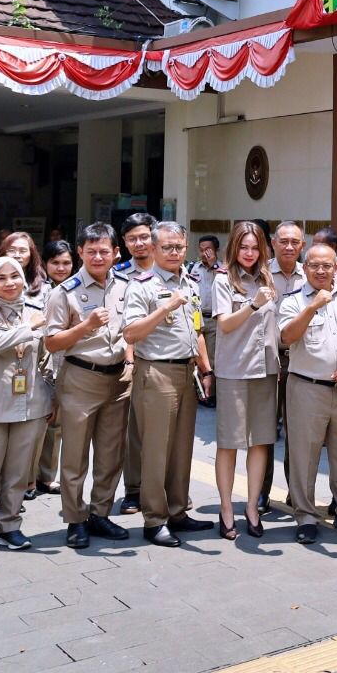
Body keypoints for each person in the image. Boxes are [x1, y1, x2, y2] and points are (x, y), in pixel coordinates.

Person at [122, 221, 216, 547]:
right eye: (167, 247)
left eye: (179, 247)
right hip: (156, 372)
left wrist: (206, 370)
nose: (174, 252)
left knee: (181, 448)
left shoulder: (189, 282)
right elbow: (131, 333)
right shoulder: (142, 285)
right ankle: (154, 519)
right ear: (154, 249)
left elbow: (197, 329)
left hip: (185, 373)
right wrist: (164, 308)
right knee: (156, 449)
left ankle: (178, 510)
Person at [44, 223, 133, 550]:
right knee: (75, 455)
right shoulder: (63, 292)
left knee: (111, 453)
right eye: (91, 250)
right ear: (79, 252)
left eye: (104, 251)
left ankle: (100, 513)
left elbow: (130, 328)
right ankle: (75, 519)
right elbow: (52, 342)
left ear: (115, 253)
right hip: (81, 377)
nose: (98, 256)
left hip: (118, 378)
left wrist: (131, 360)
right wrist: (86, 325)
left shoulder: (125, 285)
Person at [277, 243, 337, 544]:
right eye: (314, 265)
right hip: (306, 387)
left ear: (336, 267)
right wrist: (312, 306)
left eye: (327, 265)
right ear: (305, 267)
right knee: (304, 455)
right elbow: (286, 337)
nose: (321, 270)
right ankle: (306, 514)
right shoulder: (292, 301)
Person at [0, 256, 53, 554]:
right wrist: (29, 329)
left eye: (15, 277)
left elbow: (47, 356)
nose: (9, 284)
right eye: (1, 278)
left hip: (30, 402)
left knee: (19, 471)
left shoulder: (36, 309)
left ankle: (10, 524)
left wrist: (51, 393)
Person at [212, 222, 279, 540]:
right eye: (244, 247)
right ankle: (226, 509)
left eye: (255, 247)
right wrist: (254, 305)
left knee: (260, 441)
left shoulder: (268, 277)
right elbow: (224, 325)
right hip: (234, 371)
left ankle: (252, 507)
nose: (249, 253)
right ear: (234, 248)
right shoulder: (223, 279)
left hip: (266, 370)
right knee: (229, 444)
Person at [258, 221, 306, 514]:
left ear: (303, 245)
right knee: (265, 429)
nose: (289, 247)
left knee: (297, 430)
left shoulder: (312, 273)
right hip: (267, 358)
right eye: (284, 241)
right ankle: (261, 491)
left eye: (295, 242)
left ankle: (296, 491)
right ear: (273, 243)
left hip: (300, 359)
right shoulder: (260, 275)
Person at [25, 240, 73, 500]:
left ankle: (47, 476)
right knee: (37, 424)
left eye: (66, 262)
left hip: (66, 363)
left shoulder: (76, 290)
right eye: (55, 262)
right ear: (45, 264)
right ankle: (27, 479)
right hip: (39, 364)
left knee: (57, 424)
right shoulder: (33, 292)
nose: (61, 267)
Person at [117, 212, 156, 516]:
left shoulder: (172, 271)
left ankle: (165, 488)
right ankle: (133, 490)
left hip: (167, 361)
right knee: (135, 430)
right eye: (132, 238)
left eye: (144, 236)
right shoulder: (117, 275)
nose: (139, 243)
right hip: (131, 360)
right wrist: (129, 357)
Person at [196, 233, 224, 377]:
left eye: (208, 249)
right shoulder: (192, 268)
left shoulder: (224, 269)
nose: (204, 253)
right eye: (201, 249)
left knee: (212, 356)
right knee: (195, 354)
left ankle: (211, 392)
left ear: (216, 250)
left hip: (214, 318)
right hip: (197, 316)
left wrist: (214, 264)